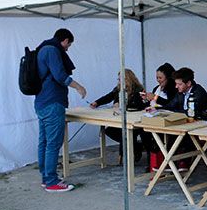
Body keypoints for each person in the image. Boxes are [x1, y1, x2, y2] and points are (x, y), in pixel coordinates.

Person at [35, 28, 87, 192]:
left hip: (42, 102)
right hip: (53, 102)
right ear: (64, 40)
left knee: (44, 142)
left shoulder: (42, 49)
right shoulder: (52, 50)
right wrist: (78, 86)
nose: (67, 48)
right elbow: (59, 75)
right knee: (53, 144)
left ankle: (46, 177)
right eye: (68, 44)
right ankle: (51, 182)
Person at [90, 68, 146, 163]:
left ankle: (132, 150)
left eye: (120, 79)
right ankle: (136, 147)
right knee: (109, 131)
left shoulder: (138, 89)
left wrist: (123, 104)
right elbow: (108, 97)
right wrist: (96, 103)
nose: (118, 81)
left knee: (126, 133)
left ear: (127, 79)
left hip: (134, 119)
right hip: (121, 118)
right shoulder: (118, 89)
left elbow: (140, 105)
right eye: (118, 79)